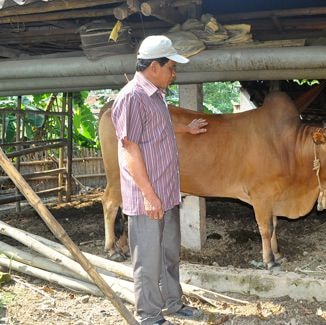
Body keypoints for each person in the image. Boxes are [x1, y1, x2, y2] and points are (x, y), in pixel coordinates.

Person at [111, 35, 207, 325]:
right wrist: (149, 195)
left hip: (166, 193)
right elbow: (130, 149)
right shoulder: (131, 97)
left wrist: (185, 129)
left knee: (168, 254)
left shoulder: (156, 96)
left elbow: (157, 130)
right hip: (147, 198)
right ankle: (150, 317)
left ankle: (172, 304)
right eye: (171, 68)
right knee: (148, 261)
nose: (174, 73)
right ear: (155, 66)